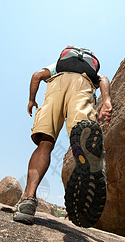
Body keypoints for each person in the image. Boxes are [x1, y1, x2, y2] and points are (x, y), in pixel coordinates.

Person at [13, 54, 112, 227]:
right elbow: (103, 78)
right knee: (83, 132)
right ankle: (92, 162)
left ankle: (27, 200)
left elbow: (37, 75)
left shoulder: (58, 66)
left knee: (45, 143)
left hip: (56, 85)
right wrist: (106, 101)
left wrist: (31, 100)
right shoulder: (89, 69)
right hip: (83, 85)